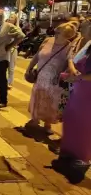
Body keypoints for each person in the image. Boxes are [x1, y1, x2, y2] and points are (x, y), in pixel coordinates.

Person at [25, 23, 76, 135]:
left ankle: (47, 123)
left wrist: (62, 74)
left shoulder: (69, 46)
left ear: (66, 35)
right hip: (41, 76)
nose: (55, 34)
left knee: (50, 102)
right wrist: (29, 68)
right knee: (37, 97)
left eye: (59, 32)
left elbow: (69, 63)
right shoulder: (48, 40)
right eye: (56, 31)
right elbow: (37, 56)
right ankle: (35, 119)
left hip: (54, 79)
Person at [55, 38, 91, 183]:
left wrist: (78, 77)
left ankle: (82, 158)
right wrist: (73, 71)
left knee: (84, 126)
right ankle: (69, 152)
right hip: (79, 91)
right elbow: (74, 61)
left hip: (87, 94)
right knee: (71, 120)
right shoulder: (87, 44)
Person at [0, 10, 24, 108]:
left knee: (1, 80)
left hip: (2, 57)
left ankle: (3, 100)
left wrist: (10, 45)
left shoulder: (8, 26)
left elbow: (21, 36)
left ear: (3, 17)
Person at [5, 13, 25, 90]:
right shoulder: (5, 27)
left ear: (15, 20)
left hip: (13, 49)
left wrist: (13, 44)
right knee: (3, 67)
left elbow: (21, 37)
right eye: (10, 17)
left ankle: (10, 83)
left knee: (11, 67)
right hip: (4, 49)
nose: (10, 18)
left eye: (12, 17)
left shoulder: (17, 28)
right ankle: (2, 82)